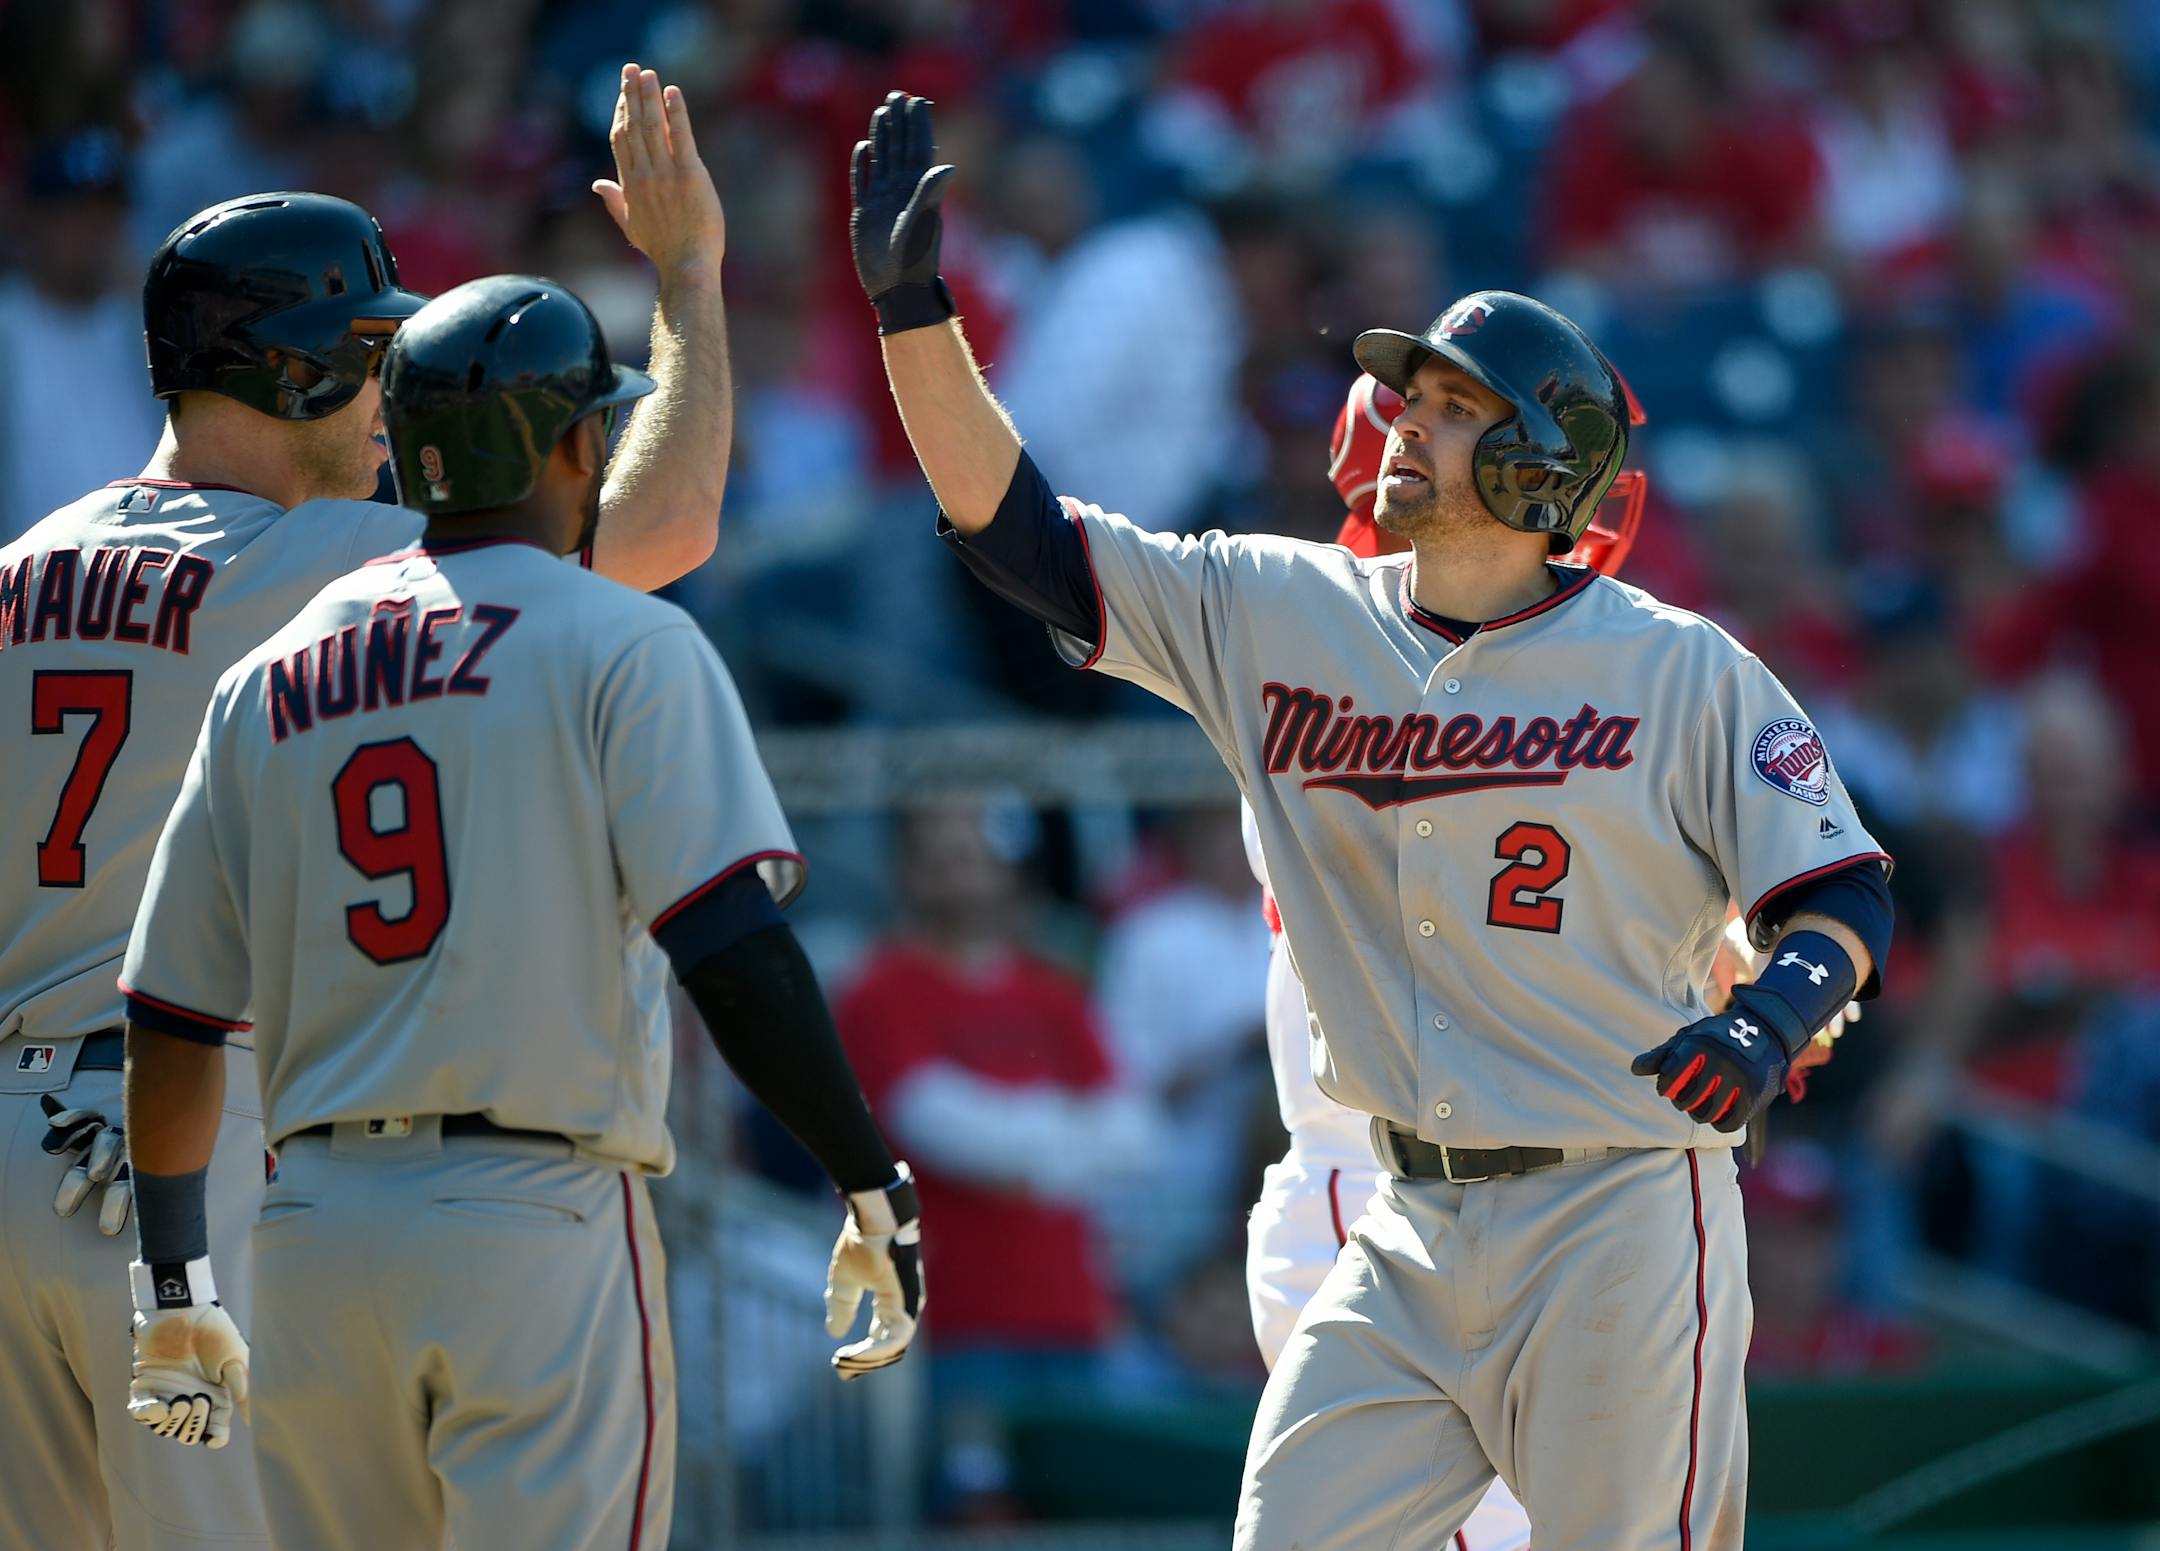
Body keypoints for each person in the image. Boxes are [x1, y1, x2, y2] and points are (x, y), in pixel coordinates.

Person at [849, 92, 1895, 1548]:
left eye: (1456, 408)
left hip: (1613, 1206)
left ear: (1542, 466)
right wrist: (916, 319)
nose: (1408, 420)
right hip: (1396, 1222)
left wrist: (1771, 1017)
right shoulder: (1280, 607)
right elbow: (1019, 536)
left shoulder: (1681, 664)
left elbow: (1841, 890)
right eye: (1415, 396)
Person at [0, 64, 730, 1551]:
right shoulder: (315, 561)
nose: (387, 391)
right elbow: (666, 524)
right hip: (170, 1162)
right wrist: (694, 284)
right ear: (291, 376)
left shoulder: (19, 567)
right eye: (366, 355)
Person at [115, 270, 924, 1551]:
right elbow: (727, 941)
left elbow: (167, 1016)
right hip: (531, 1218)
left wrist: (174, 1283)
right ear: (579, 443)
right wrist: (867, 1180)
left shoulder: (265, 679)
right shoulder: (621, 638)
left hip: (313, 1234)